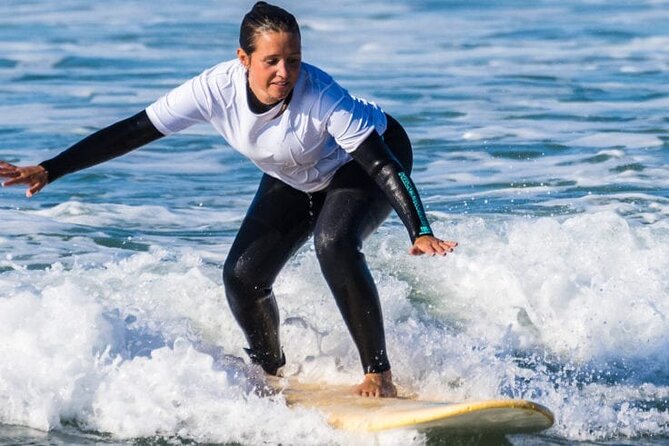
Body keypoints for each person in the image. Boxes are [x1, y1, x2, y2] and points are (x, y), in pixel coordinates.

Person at [0, 2, 457, 397]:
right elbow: (135, 131)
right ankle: (271, 371)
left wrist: (419, 229)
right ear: (244, 59)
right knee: (243, 275)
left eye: (294, 61)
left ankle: (378, 372)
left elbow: (382, 166)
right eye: (272, 61)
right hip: (293, 169)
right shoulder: (212, 89)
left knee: (333, 242)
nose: (286, 73)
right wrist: (51, 168)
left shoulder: (323, 97)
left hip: (366, 159)